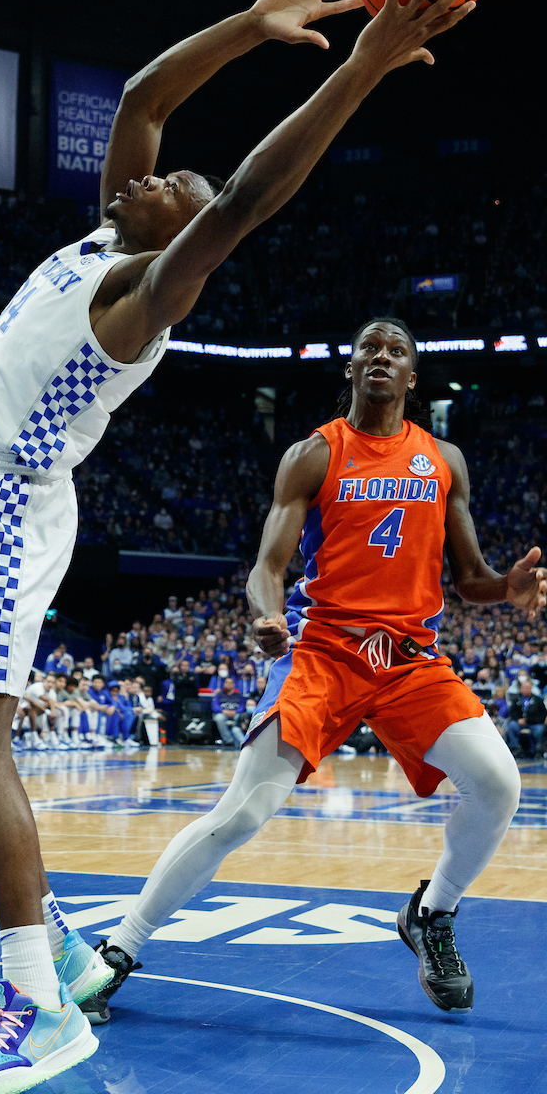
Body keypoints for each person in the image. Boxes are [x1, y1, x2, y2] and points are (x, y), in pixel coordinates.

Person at [0, 0, 476, 1091]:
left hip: (11, 500)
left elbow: (244, 197)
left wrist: (365, 64)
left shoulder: (138, 293)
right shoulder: (109, 231)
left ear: (179, 227)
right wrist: (252, 21)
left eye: (170, 185)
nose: (150, 175)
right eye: (149, 180)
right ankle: (62, 951)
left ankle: (39, 999)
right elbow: (143, 97)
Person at [90, 314, 540, 1023]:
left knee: (499, 783)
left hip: (409, 661)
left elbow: (473, 577)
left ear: (413, 377)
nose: (382, 357)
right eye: (370, 348)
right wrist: (267, 617)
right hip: (324, 652)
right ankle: (116, 950)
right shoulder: (314, 453)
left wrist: (504, 590)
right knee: (244, 811)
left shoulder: (444, 459)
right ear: (351, 368)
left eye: (397, 351)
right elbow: (267, 569)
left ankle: (432, 914)